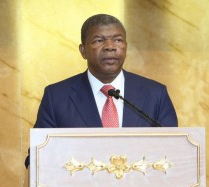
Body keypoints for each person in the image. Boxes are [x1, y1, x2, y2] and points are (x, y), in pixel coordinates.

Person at [34, 14, 178, 129]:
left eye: (118, 40)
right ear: (83, 51)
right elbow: (37, 157)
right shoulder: (56, 97)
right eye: (98, 40)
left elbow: (175, 151)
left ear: (126, 47)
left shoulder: (156, 94)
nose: (110, 47)